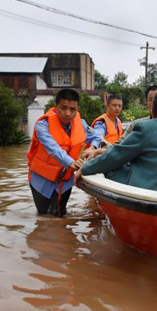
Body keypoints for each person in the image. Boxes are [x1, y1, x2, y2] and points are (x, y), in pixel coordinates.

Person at [76, 89, 157, 196]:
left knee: (112, 166)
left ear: (153, 111)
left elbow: (115, 155)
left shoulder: (144, 128)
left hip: (151, 196)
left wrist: (85, 168)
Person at [27, 88, 102, 217]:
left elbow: (96, 138)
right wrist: (70, 162)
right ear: (56, 107)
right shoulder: (42, 125)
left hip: (65, 181)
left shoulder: (82, 124)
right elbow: (53, 148)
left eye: (72, 109)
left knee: (60, 214)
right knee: (44, 215)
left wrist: (92, 148)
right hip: (42, 179)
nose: (67, 113)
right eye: (63, 108)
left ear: (77, 109)